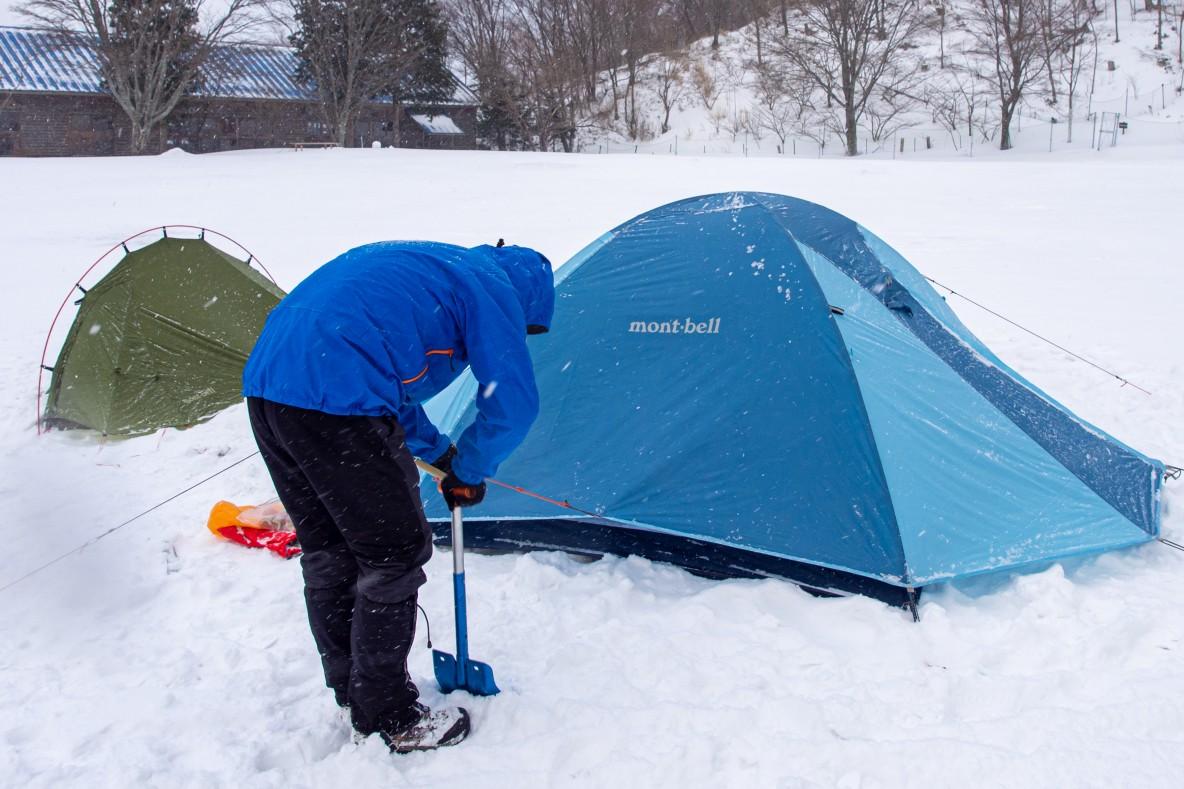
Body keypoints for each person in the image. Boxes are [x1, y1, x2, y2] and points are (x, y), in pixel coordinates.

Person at [241, 240, 554, 752]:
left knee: (331, 550)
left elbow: (388, 385)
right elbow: (512, 403)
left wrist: (443, 456)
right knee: (394, 554)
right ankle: (389, 713)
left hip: (270, 390)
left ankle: (352, 685)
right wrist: (471, 470)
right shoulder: (493, 289)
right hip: (336, 402)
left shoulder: (439, 270)